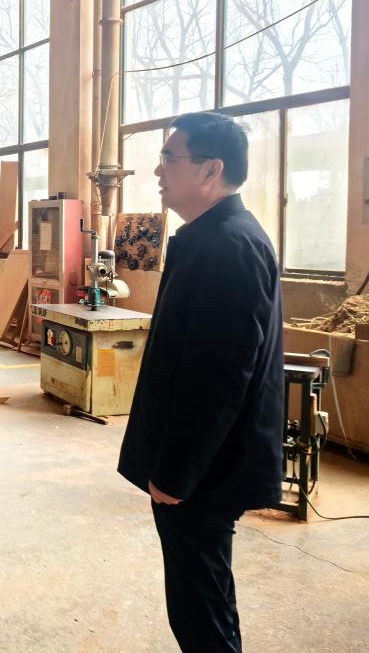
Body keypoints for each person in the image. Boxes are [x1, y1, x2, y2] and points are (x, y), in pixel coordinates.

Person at [117, 111, 284, 652]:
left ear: (211, 170)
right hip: (200, 466)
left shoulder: (230, 247)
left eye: (170, 158)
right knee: (200, 597)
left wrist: (177, 473)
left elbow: (218, 379)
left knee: (200, 612)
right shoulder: (210, 237)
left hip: (206, 472)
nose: (158, 170)